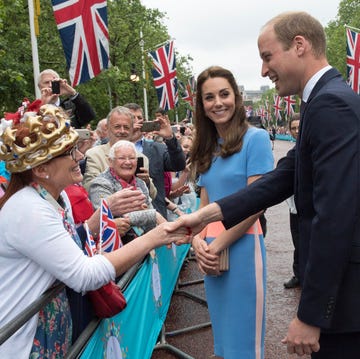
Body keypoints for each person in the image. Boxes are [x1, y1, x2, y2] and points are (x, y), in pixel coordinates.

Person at [170, 11, 360, 359]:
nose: (262, 70)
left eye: (267, 56)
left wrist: (311, 313)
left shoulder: (331, 103)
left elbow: (335, 216)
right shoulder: (322, 101)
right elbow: (285, 176)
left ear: (299, 46)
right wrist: (205, 217)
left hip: (346, 302)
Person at [0, 104, 188, 359]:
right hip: (21, 343)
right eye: (68, 151)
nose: (79, 156)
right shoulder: (29, 208)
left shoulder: (54, 197)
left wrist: (91, 224)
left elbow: (61, 244)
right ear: (41, 169)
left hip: (46, 332)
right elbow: (85, 275)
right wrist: (154, 238)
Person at [186, 66, 274, 359]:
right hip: (212, 253)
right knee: (223, 341)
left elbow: (257, 203)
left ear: (236, 97)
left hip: (243, 246)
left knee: (245, 343)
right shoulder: (207, 146)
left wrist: (217, 244)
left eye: (224, 94)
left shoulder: (256, 139)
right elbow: (204, 204)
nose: (217, 103)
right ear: (202, 105)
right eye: (209, 97)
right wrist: (197, 242)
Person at [89, 140, 164, 236]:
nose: (128, 162)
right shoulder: (100, 183)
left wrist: (147, 215)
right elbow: (103, 219)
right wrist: (152, 215)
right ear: (110, 161)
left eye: (132, 158)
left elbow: (151, 224)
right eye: (122, 158)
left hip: (141, 242)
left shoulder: (140, 183)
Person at [124, 103, 186, 218]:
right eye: (132, 118)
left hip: (156, 217)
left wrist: (170, 138)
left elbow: (179, 165)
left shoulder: (157, 148)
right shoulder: (113, 149)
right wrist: (127, 138)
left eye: (140, 118)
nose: (137, 121)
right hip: (126, 219)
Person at [82, 106, 156, 201]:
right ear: (108, 129)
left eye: (126, 127)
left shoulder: (141, 158)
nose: (122, 131)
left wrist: (147, 182)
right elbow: (89, 188)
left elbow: (152, 196)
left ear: (132, 130)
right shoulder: (94, 155)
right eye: (117, 127)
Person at [284, 113, 301, 289]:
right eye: (294, 128)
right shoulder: (292, 153)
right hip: (294, 206)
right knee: (297, 241)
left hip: (311, 206)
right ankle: (298, 274)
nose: (297, 131)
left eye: (299, 127)